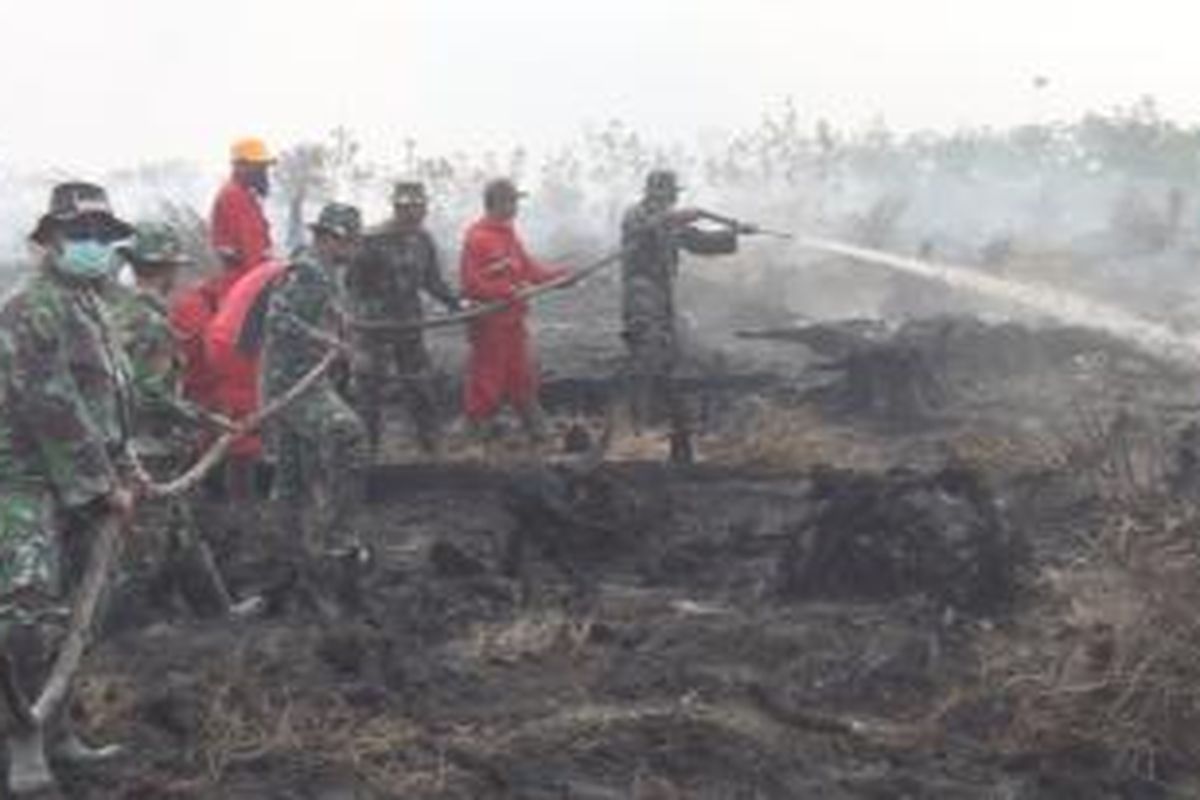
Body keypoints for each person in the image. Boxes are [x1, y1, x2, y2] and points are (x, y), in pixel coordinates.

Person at [0, 182, 137, 795]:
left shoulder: (92, 306)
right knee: (28, 613)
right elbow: (49, 402)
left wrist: (124, 462)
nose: (93, 246)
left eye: (103, 238)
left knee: (81, 613)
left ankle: (57, 732)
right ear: (49, 240)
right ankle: (21, 746)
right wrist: (102, 481)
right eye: (80, 236)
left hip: (88, 481)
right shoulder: (33, 306)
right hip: (26, 479)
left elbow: (112, 398)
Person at [108, 223, 240, 618]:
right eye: (174, 269)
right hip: (150, 449)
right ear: (165, 270)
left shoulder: (119, 312)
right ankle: (124, 631)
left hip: (134, 442)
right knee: (143, 550)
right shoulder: (150, 324)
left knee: (183, 534)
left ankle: (215, 612)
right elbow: (149, 392)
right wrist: (205, 418)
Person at [261, 203, 366, 554]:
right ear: (336, 239)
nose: (356, 250)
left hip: (294, 381)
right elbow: (278, 320)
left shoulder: (319, 269)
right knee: (349, 435)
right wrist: (328, 341)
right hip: (296, 384)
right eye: (352, 242)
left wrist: (337, 327)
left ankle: (289, 551)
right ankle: (340, 538)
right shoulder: (309, 272)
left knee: (293, 473)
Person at [620, 169, 741, 464]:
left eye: (673, 194)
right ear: (656, 191)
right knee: (648, 358)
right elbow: (645, 229)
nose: (672, 197)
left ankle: (695, 429)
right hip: (641, 295)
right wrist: (677, 217)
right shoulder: (635, 215)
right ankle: (638, 432)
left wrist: (735, 233)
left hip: (666, 300)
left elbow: (701, 243)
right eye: (670, 192)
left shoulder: (672, 222)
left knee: (703, 358)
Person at [347, 181, 460, 458]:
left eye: (418, 207)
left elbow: (432, 281)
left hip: (410, 326)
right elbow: (352, 286)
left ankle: (431, 446)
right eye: (406, 207)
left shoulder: (423, 240)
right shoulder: (371, 241)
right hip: (374, 329)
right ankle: (366, 452)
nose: (413, 213)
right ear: (396, 207)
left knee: (420, 384)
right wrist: (359, 320)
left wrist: (455, 301)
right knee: (369, 391)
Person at [459, 178, 567, 448]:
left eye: (515, 201)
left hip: (513, 323)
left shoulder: (508, 234)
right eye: (510, 201)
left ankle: (540, 433)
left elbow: (529, 270)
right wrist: (506, 293)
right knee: (488, 379)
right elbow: (472, 284)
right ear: (495, 203)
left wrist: (560, 277)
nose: (515, 207)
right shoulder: (477, 238)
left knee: (521, 376)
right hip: (489, 325)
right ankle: (475, 438)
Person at [210, 137, 275, 291]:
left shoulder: (245, 196)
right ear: (241, 166)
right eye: (259, 166)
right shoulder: (235, 197)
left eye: (264, 167)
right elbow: (251, 250)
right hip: (244, 285)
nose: (264, 172)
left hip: (246, 281)